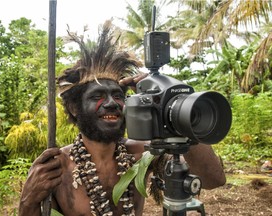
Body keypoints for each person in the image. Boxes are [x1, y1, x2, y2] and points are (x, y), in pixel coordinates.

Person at [19, 20, 226, 216]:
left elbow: (214, 178)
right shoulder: (57, 168)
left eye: (118, 96)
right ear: (74, 107)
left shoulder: (142, 155)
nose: (111, 103)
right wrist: (28, 200)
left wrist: (177, 110)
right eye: (97, 96)